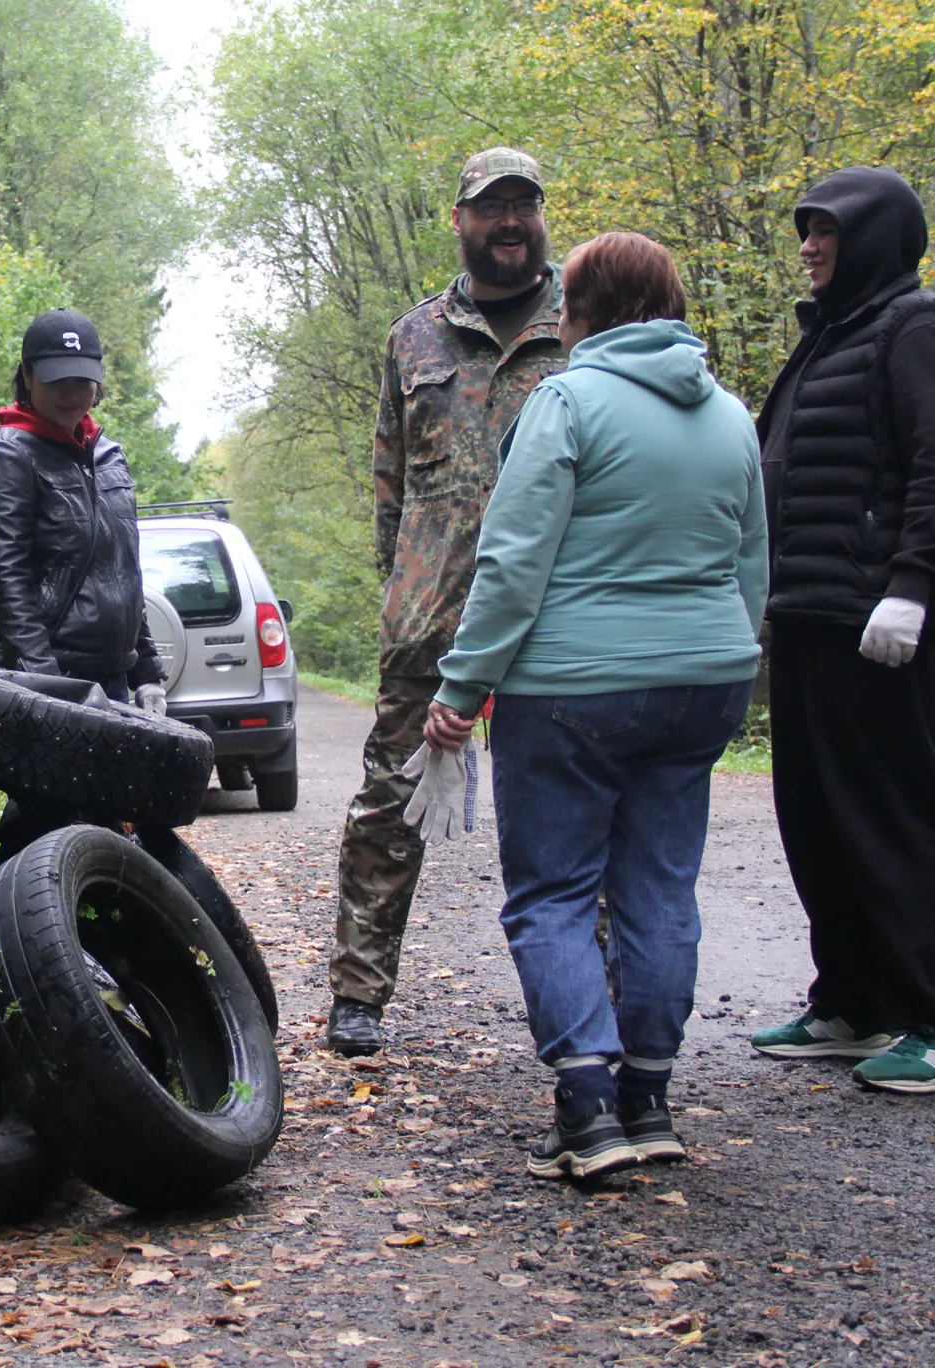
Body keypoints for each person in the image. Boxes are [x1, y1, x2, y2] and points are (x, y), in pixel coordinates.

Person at [422, 232, 766, 1179]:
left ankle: (586, 1110)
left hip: (573, 691)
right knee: (660, 887)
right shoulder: (730, 415)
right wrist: (721, 655)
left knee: (555, 893)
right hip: (705, 682)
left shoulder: (565, 402)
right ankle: (649, 1098)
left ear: (584, 308)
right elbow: (749, 561)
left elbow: (512, 560)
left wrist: (462, 687)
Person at [328, 147, 568, 1056]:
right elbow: (387, 486)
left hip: (558, 618)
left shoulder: (580, 324)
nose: (509, 221)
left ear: (540, 215)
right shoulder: (413, 337)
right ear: (460, 221)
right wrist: (402, 588)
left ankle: (586, 1003)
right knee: (388, 810)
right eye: (490, 207)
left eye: (524, 205)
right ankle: (358, 996)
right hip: (431, 621)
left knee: (560, 815)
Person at [747, 168, 935, 1095]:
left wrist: (913, 586)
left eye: (825, 231)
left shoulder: (913, 328)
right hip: (810, 620)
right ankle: (854, 1004)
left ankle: (928, 1017)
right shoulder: (828, 337)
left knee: (892, 818)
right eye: (806, 230)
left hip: (881, 626)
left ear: (874, 239)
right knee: (816, 820)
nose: (810, 246)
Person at [0, 307, 164, 707]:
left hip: (113, 680)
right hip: (47, 678)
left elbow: (124, 571)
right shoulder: (9, 458)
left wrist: (147, 673)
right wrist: (47, 684)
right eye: (57, 381)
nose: (71, 394)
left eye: (82, 381)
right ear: (27, 376)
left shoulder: (108, 456)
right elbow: (6, 577)